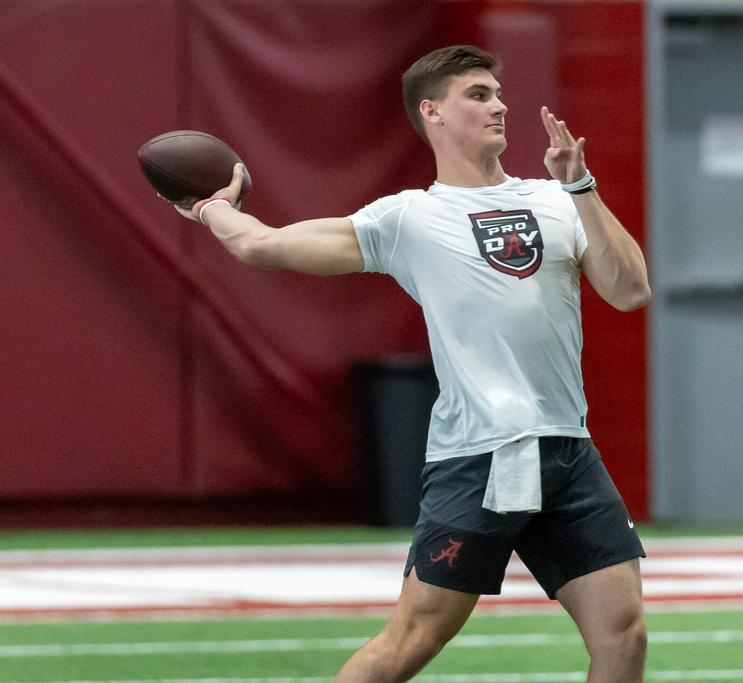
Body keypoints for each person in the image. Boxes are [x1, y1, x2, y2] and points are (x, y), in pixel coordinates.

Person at [177, 45, 651, 683]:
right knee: (411, 641)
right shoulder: (409, 218)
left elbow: (629, 290)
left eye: (497, 92)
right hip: (481, 453)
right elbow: (264, 246)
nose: (500, 104)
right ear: (432, 112)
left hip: (567, 447)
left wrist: (580, 185)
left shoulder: (558, 199)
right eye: (478, 94)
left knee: (623, 635)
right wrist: (212, 207)